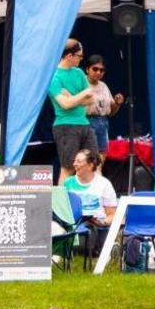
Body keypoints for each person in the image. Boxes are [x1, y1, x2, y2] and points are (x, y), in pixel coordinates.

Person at [49, 39, 98, 175]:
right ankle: (62, 197)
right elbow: (64, 105)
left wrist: (71, 97)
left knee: (93, 163)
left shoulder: (79, 73)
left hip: (84, 124)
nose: (81, 59)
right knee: (68, 167)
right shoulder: (54, 77)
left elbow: (91, 99)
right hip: (65, 126)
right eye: (79, 56)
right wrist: (82, 94)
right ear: (69, 56)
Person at [64, 147, 118, 260]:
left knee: (88, 232)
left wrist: (103, 221)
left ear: (90, 165)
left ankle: (103, 248)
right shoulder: (68, 183)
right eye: (74, 161)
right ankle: (101, 249)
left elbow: (113, 215)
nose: (74, 164)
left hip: (96, 226)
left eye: (78, 161)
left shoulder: (104, 184)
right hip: (72, 225)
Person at [84, 56, 118, 149]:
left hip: (103, 122)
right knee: (87, 155)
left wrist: (117, 104)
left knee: (102, 153)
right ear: (87, 69)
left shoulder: (103, 86)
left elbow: (111, 113)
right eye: (95, 69)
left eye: (102, 70)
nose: (98, 72)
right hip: (86, 122)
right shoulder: (81, 83)